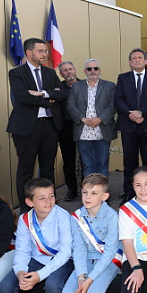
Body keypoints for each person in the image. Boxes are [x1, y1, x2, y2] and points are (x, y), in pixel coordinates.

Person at [7, 38, 66, 210]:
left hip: (50, 126)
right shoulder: (16, 73)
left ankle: (48, 207)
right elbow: (22, 97)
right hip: (26, 128)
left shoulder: (50, 73)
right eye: (41, 51)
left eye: (45, 51)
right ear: (29, 52)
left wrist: (41, 93)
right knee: (26, 170)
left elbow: (62, 94)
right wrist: (50, 98)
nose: (45, 54)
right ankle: (26, 210)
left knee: (48, 169)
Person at [61, 174, 120, 293]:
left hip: (108, 261)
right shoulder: (77, 217)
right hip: (87, 259)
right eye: (85, 192)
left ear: (104, 196)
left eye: (94, 193)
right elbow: (79, 248)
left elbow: (109, 253)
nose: (87, 197)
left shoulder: (112, 217)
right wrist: (81, 277)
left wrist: (89, 281)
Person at [115, 49, 147, 202]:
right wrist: (132, 114)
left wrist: (141, 112)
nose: (137, 60)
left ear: (145, 61)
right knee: (130, 162)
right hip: (128, 125)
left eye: (140, 58)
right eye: (134, 58)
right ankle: (130, 195)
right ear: (130, 62)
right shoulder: (123, 78)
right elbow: (118, 99)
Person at [67, 59, 117, 177]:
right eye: (89, 69)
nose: (93, 71)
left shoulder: (110, 86)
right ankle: (89, 189)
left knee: (102, 165)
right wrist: (82, 119)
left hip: (102, 130)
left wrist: (100, 119)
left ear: (100, 70)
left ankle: (102, 189)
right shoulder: (76, 86)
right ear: (85, 71)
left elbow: (113, 105)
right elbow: (70, 105)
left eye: (95, 68)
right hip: (83, 132)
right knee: (87, 166)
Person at [58, 61, 81, 200]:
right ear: (61, 74)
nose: (69, 72)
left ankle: (87, 188)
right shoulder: (58, 88)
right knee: (68, 160)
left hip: (84, 126)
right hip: (66, 128)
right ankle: (71, 189)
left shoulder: (85, 85)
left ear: (75, 70)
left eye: (70, 69)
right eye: (65, 70)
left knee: (86, 159)